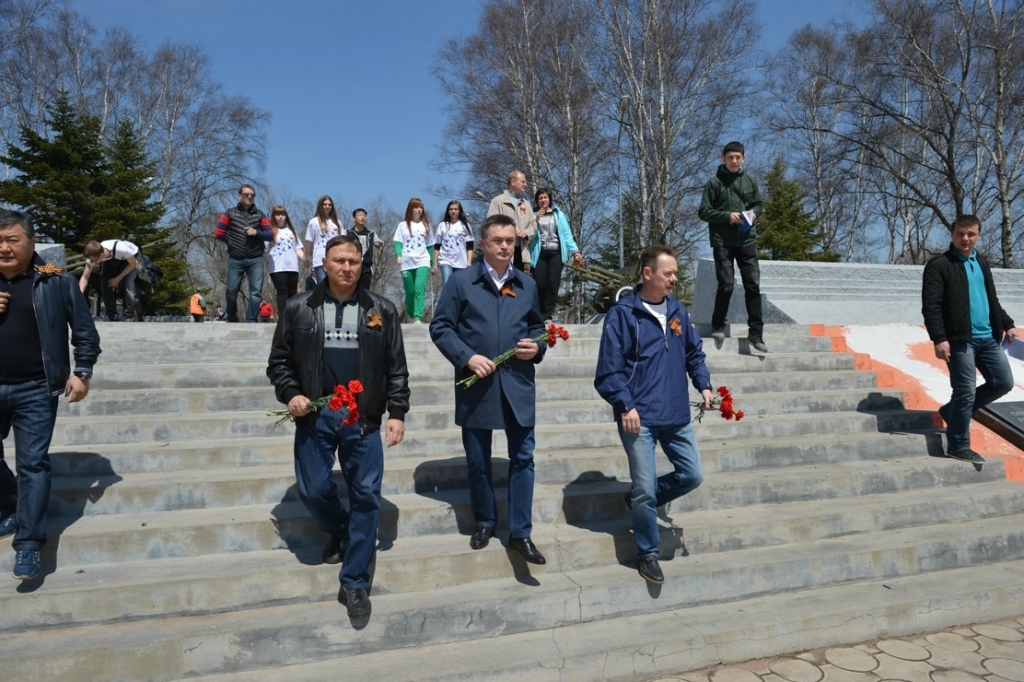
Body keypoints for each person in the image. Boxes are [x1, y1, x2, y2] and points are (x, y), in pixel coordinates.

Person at [267, 232, 409, 618]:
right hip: (316, 412)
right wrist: (291, 392)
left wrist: (396, 412)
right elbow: (279, 362)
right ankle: (341, 529)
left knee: (366, 496)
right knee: (313, 488)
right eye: (339, 261)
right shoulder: (298, 308)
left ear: (362, 265)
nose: (347, 268)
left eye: (354, 261)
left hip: (362, 416)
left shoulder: (382, 309)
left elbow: (396, 367)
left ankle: (355, 582)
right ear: (324, 265)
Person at [429, 214, 547, 565]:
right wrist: (466, 357)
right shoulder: (463, 282)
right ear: (482, 244)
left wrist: (538, 347)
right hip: (477, 385)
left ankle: (521, 532)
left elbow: (538, 327)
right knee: (478, 461)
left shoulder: (527, 284)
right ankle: (484, 521)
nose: (505, 246)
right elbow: (441, 327)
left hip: (518, 384)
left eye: (510, 240)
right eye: (497, 240)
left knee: (523, 459)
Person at [594, 245, 713, 585]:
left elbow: (693, 352)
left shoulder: (677, 309)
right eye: (668, 273)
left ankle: (638, 502)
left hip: (675, 413)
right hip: (639, 417)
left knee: (692, 475)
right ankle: (647, 552)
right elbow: (608, 371)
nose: (675, 278)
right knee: (646, 489)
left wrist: (703, 385)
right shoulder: (622, 314)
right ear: (648, 274)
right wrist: (624, 405)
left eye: (675, 273)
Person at [0, 209, 100, 580]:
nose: (4, 248)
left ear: (31, 241)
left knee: (33, 464)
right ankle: (11, 502)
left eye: (12, 240)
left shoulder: (56, 280)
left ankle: (28, 544)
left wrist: (82, 372)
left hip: (36, 389)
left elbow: (85, 332)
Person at [922, 214, 1018, 465]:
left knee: (1003, 382)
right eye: (960, 234)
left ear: (978, 235)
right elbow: (931, 305)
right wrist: (939, 338)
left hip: (988, 338)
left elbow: (990, 299)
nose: (965, 238)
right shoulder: (939, 265)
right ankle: (958, 445)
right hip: (959, 341)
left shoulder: (982, 262)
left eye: (971, 234)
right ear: (952, 235)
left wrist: (1006, 323)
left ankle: (950, 412)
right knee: (964, 392)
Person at [698, 141, 766, 352]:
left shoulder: (750, 181)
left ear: (743, 158)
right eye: (730, 157)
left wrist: (754, 213)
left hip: (747, 240)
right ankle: (718, 325)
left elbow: (758, 205)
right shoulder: (714, 183)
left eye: (738, 157)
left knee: (753, 286)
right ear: (723, 159)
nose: (734, 161)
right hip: (723, 242)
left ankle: (756, 334)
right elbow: (704, 212)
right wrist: (728, 216)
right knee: (726, 284)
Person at [215, 184, 272, 323]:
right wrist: (231, 242)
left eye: (252, 195)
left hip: (255, 259)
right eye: (246, 194)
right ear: (240, 196)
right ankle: (232, 316)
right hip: (236, 259)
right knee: (231, 291)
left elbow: (271, 234)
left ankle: (251, 320)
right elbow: (218, 233)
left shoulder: (260, 215)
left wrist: (256, 232)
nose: (249, 197)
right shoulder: (230, 213)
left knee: (255, 292)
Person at [529, 188, 580, 323]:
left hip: (556, 254)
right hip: (539, 254)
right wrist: (537, 219)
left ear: (549, 199)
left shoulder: (559, 214)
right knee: (538, 284)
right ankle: (539, 312)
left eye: (545, 197)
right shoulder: (532, 214)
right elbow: (530, 235)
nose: (543, 200)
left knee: (553, 283)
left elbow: (567, 234)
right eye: (540, 198)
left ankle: (548, 315)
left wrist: (575, 252)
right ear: (537, 201)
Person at [393, 198, 435, 323]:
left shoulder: (427, 226)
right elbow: (398, 242)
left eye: (421, 207)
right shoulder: (402, 225)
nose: (419, 210)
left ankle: (418, 317)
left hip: (423, 261)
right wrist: (398, 255)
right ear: (410, 209)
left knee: (419, 289)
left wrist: (433, 264)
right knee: (410, 291)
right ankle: (411, 313)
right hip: (406, 262)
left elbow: (430, 246)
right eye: (416, 207)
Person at [79, 238, 140, 321]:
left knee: (128, 284)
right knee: (105, 283)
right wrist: (79, 294)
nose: (92, 262)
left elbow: (133, 264)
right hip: (112, 261)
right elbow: (85, 277)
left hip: (131, 261)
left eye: (93, 260)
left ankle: (129, 316)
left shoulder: (122, 249)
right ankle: (112, 315)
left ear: (101, 255)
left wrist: (118, 278)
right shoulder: (94, 254)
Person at [487, 170, 536, 273]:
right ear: (513, 182)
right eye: (523, 182)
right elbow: (491, 224)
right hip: (502, 250)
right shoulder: (498, 201)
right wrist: (511, 231)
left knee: (517, 284)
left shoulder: (525, 204)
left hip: (521, 251)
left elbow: (533, 225)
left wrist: (526, 232)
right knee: (502, 282)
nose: (525, 185)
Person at [266, 205, 305, 314]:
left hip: (292, 267)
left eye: (282, 214)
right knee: (282, 291)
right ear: (274, 216)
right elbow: (265, 250)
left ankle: (292, 317)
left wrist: (306, 259)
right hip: (277, 267)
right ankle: (284, 317)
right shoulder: (270, 231)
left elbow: (298, 249)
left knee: (292, 293)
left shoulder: (292, 231)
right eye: (278, 215)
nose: (280, 217)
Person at [434, 200, 474, 286]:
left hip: (461, 262)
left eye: (455, 209)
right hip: (445, 260)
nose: (453, 211)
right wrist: (435, 264)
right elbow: (437, 246)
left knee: (459, 287)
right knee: (448, 284)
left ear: (460, 211)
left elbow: (470, 246)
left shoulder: (465, 225)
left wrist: (469, 261)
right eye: (451, 209)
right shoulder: (442, 225)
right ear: (448, 211)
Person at [303, 196, 342, 284]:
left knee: (335, 286)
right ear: (320, 206)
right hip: (319, 259)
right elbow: (309, 242)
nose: (327, 206)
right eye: (324, 204)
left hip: (335, 258)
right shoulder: (313, 222)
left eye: (329, 205)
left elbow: (343, 241)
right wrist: (305, 257)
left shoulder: (337, 222)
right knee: (322, 286)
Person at [349, 208, 384, 291]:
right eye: (360, 215)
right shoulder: (348, 233)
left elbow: (378, 243)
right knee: (351, 290)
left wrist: (381, 244)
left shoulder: (371, 233)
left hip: (366, 267)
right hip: (352, 265)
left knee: (365, 291)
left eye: (364, 216)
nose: (362, 217)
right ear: (354, 218)